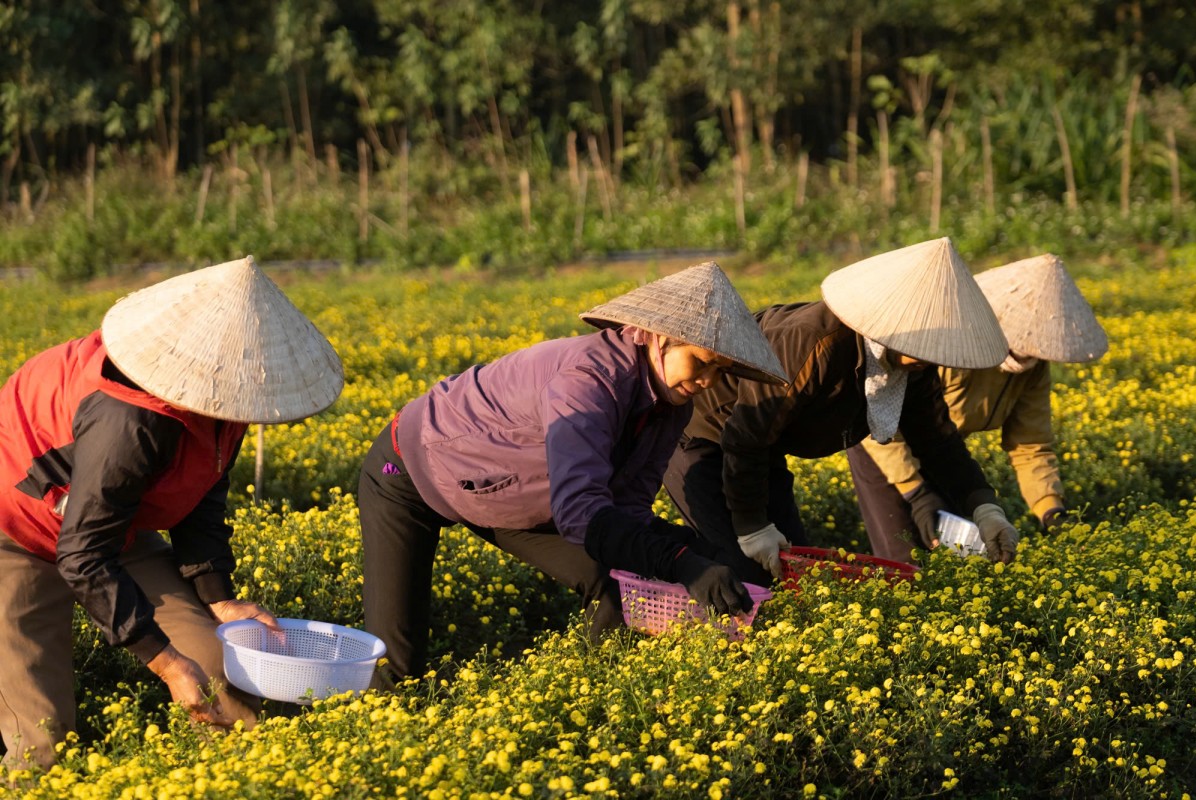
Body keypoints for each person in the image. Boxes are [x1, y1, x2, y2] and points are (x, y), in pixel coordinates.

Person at [358, 262, 788, 687]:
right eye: (703, 362)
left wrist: (699, 553)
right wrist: (681, 563)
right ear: (661, 339)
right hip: (411, 469)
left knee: (615, 584)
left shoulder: (671, 406)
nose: (709, 381)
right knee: (397, 665)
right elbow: (583, 514)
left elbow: (628, 508)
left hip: (508, 490)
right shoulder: (588, 379)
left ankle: (595, 705)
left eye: (721, 372)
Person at [0, 256, 344, 770]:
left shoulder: (226, 399)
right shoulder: (131, 420)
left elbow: (201, 497)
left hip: (111, 523)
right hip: (15, 529)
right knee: (45, 745)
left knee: (217, 672)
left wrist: (219, 599)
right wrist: (164, 663)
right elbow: (83, 557)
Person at [663, 237, 1023, 582]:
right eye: (925, 346)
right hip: (704, 437)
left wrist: (985, 508)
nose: (931, 358)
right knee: (740, 573)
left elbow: (937, 441)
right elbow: (746, 435)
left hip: (761, 452)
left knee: (792, 569)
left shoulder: (914, 367)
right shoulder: (813, 343)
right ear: (893, 329)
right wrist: (752, 527)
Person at [846, 254, 1107, 560]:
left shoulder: (1033, 370)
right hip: (882, 440)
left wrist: (1052, 510)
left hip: (943, 453)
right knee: (905, 557)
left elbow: (1030, 444)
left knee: (954, 552)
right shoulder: (957, 351)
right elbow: (881, 408)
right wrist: (915, 491)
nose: (1028, 357)